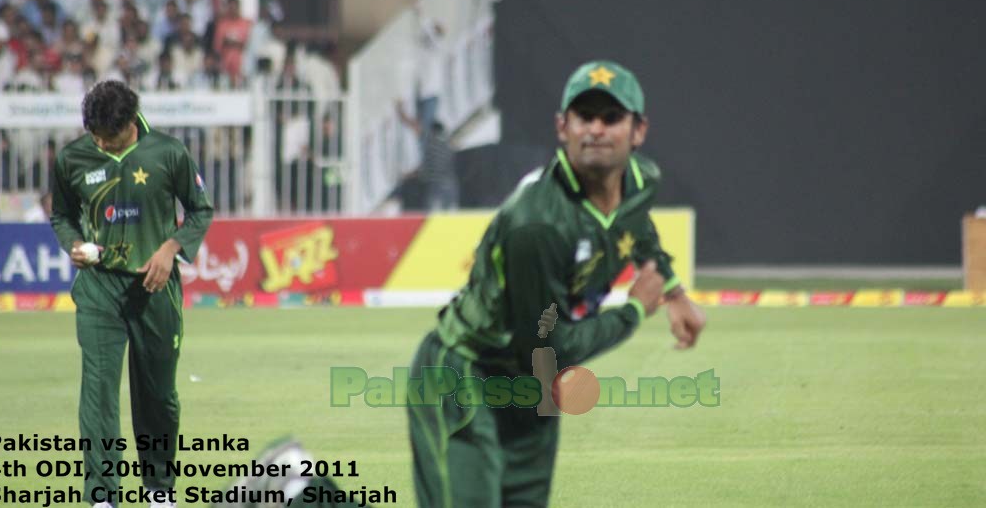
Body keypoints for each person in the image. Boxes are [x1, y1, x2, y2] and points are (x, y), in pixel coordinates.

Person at [221, 61, 706, 508]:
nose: (597, 128)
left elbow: (635, 225)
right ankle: (298, 491)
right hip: (466, 375)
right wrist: (635, 311)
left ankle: (294, 486)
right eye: (585, 115)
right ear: (563, 127)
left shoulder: (642, 180)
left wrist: (675, 290)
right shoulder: (536, 224)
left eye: (612, 116)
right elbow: (552, 348)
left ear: (638, 131)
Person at [49, 80, 214, 508]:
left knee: (158, 396)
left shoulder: (167, 152)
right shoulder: (73, 158)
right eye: (94, 134)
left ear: (130, 124)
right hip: (100, 288)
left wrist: (171, 247)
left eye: (108, 135)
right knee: (99, 394)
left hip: (155, 289)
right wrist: (73, 244)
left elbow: (200, 209)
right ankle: (103, 496)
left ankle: (159, 491)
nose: (100, 141)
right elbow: (62, 215)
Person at [396, 100, 459, 210]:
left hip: (437, 187)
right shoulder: (446, 146)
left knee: (431, 216)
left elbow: (415, 126)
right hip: (450, 188)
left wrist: (401, 112)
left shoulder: (432, 140)